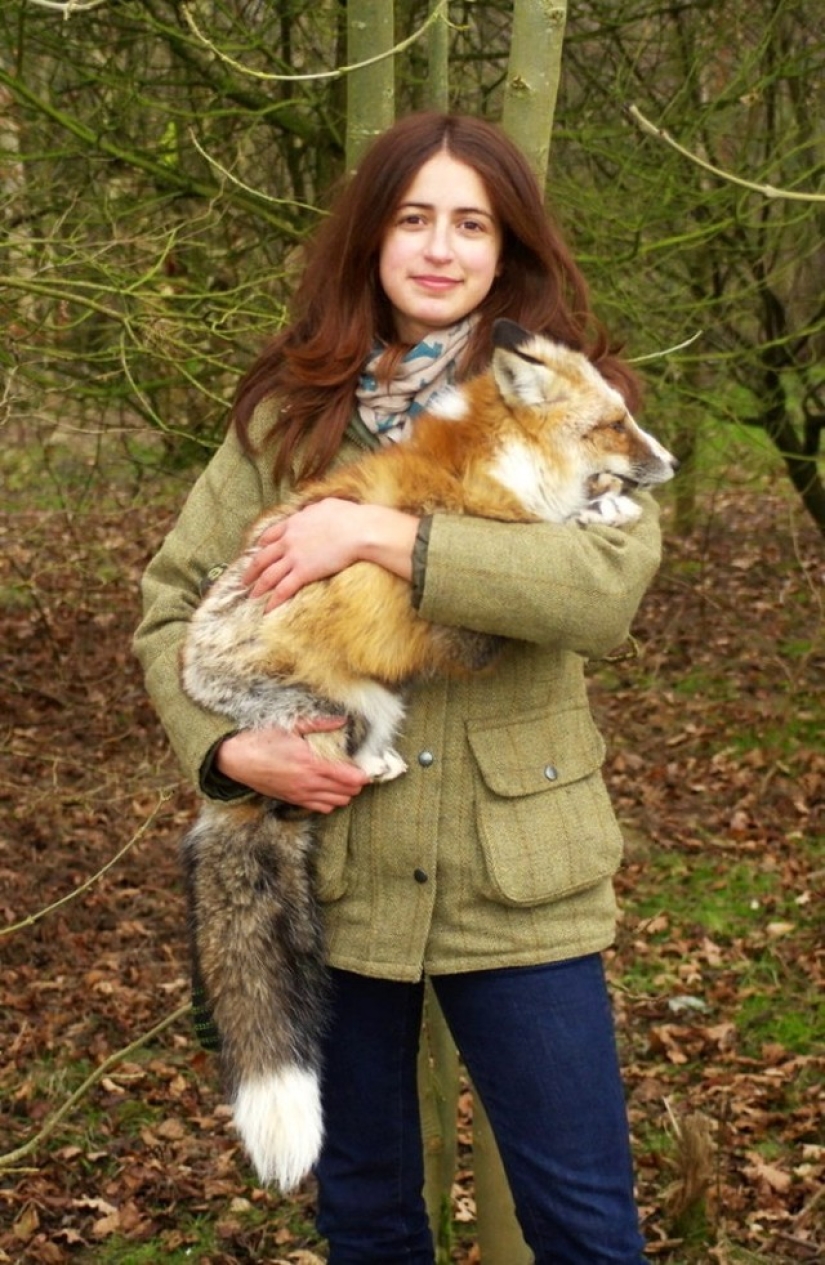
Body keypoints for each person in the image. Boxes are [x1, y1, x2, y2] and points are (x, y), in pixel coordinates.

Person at [134, 111, 663, 1265]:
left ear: (506, 244)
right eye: (413, 218)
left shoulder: (572, 393)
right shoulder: (289, 408)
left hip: (518, 874)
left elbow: (603, 592)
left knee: (583, 1216)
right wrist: (224, 755)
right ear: (371, 240)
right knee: (366, 1212)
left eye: (471, 222)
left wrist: (382, 536)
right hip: (340, 869)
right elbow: (170, 606)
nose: (440, 246)